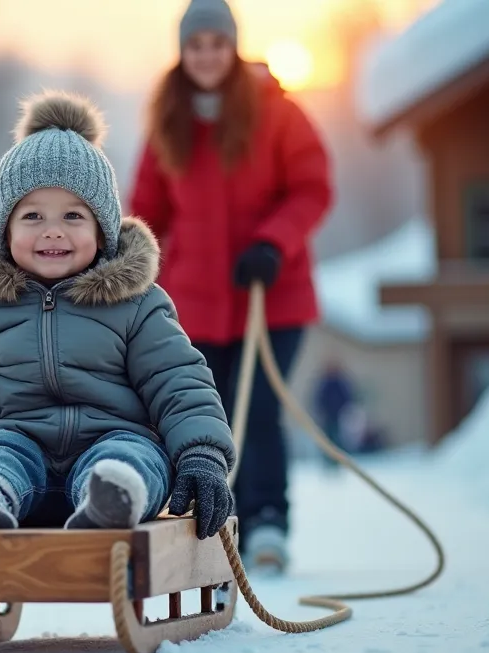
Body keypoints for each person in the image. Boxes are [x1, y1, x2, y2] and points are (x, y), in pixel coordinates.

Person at [0, 91, 236, 540]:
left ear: (102, 232)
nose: (52, 230)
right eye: (32, 216)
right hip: (11, 437)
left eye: (72, 215)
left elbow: (178, 382)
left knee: (129, 455)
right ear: (4, 230)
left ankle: (113, 499)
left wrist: (201, 454)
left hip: (112, 436)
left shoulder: (137, 304)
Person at [127, 0, 334, 573]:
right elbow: (146, 210)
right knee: (201, 413)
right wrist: (127, 268)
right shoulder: (168, 122)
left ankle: (268, 519)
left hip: (274, 295)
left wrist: (273, 242)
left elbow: (313, 188)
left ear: (233, 48)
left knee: (261, 406)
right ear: (183, 52)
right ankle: (215, 522)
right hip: (193, 302)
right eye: (196, 46)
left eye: (217, 45)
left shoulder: (278, 112)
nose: (207, 57)